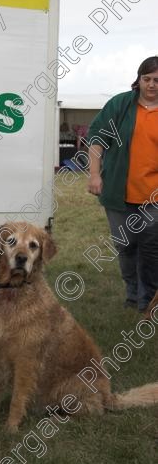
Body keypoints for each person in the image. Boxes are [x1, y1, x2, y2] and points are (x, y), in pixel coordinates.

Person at [87, 56, 158, 312]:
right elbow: (96, 139)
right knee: (126, 246)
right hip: (118, 192)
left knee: (150, 248)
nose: (151, 85)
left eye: (157, 80)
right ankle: (132, 293)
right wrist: (94, 174)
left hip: (154, 198)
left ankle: (146, 301)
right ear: (138, 80)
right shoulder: (121, 105)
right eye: (146, 79)